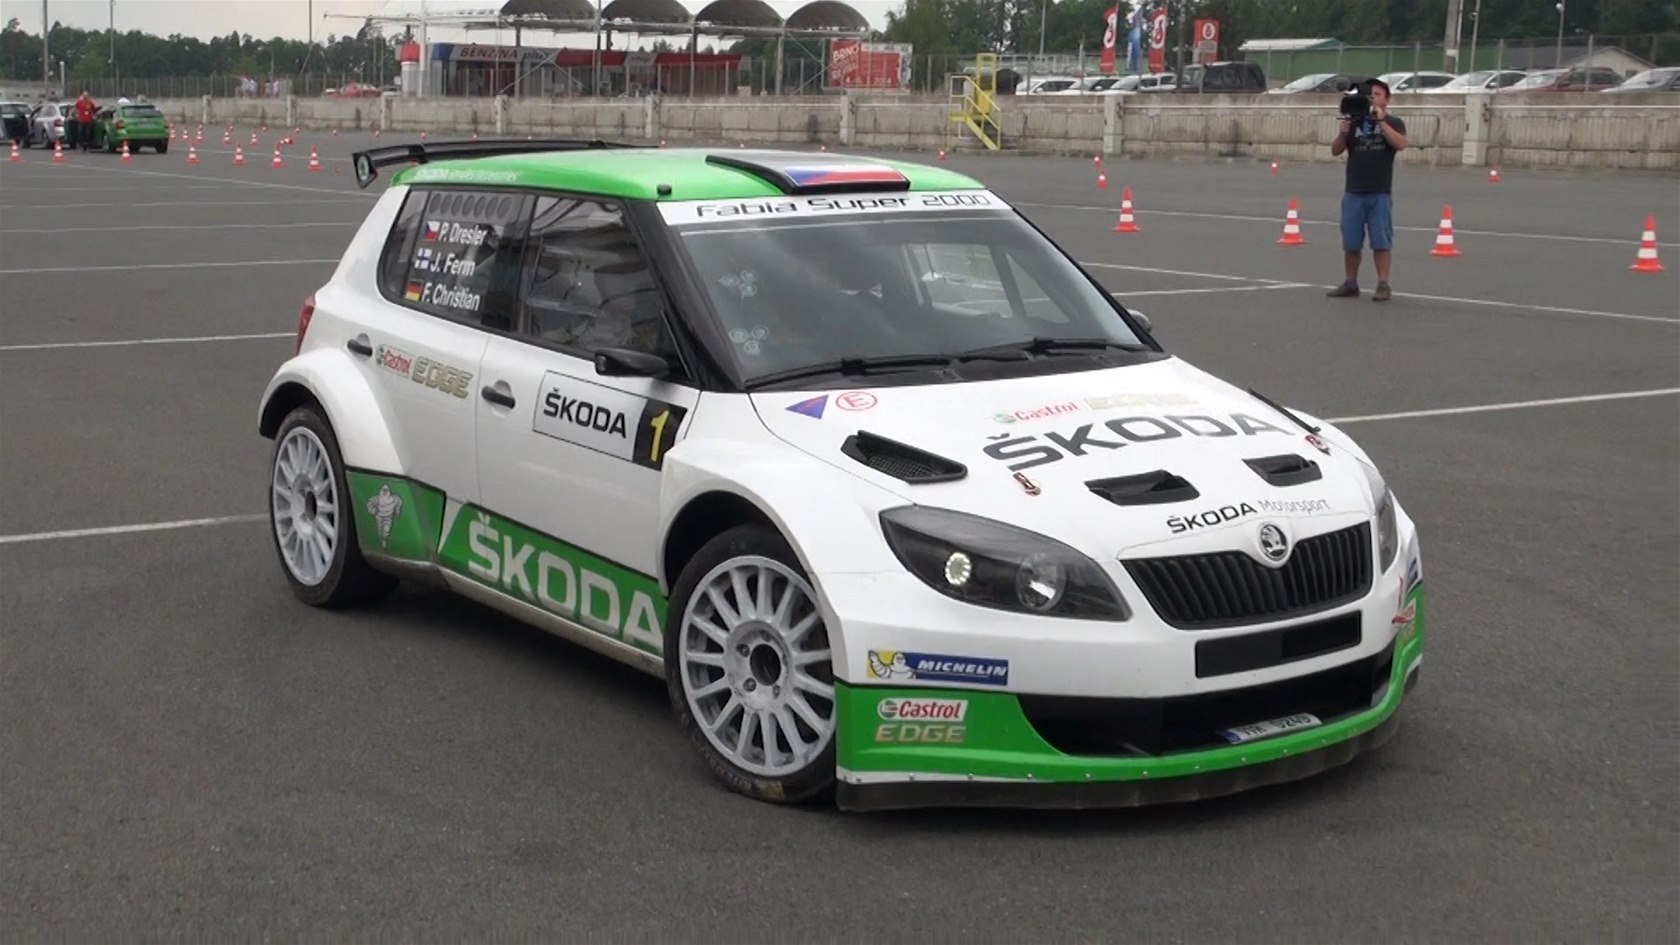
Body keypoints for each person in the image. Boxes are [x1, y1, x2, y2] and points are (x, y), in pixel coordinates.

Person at [1327, 79, 1408, 302]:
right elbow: (1336, 150)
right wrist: (1342, 134)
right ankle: (1350, 282)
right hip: (1354, 190)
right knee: (1351, 241)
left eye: (1378, 94)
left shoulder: (1394, 122)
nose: (1373, 98)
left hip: (1379, 191)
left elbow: (1401, 144)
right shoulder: (1355, 122)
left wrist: (1381, 122)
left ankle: (1383, 284)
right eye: (1370, 94)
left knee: (1381, 241)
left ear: (1387, 99)